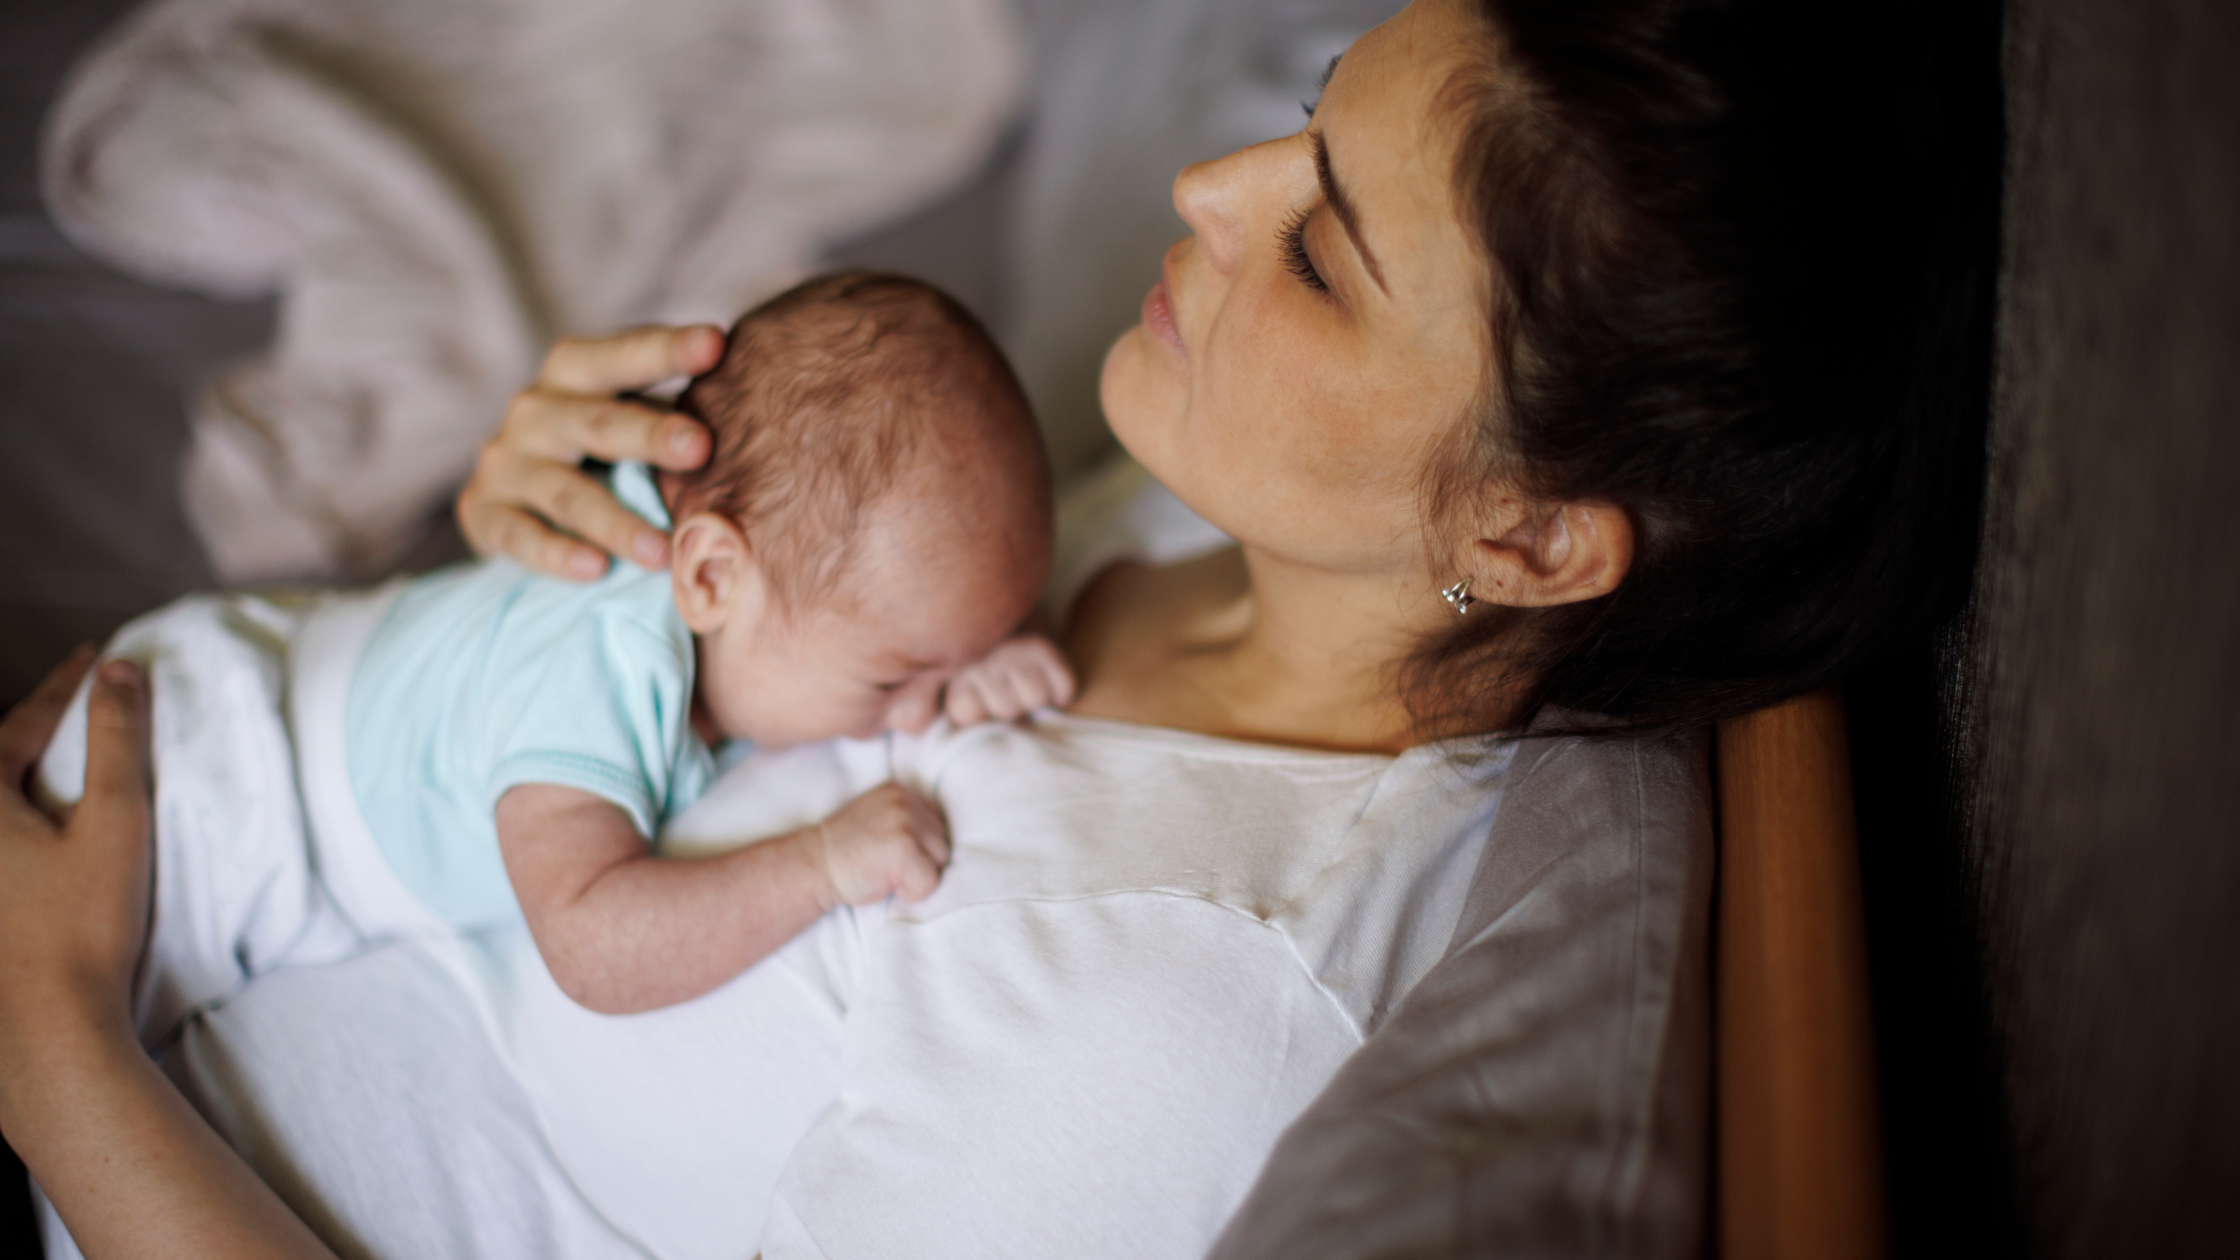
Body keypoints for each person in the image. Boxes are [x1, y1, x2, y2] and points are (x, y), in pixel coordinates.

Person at [0, 0, 1990, 1254]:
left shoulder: (1175, 1019)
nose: (1211, 190)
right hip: (205, 937)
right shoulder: (1179, 534)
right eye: (1299, 116)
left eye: (1316, 249)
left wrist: (55, 1041)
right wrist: (581, 531)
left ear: (1534, 536)